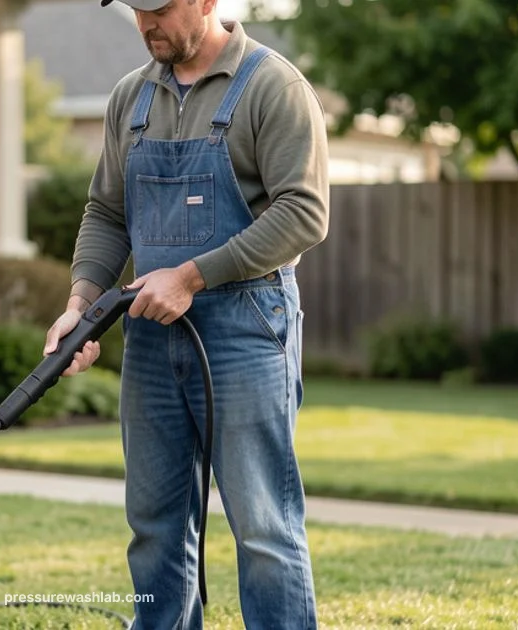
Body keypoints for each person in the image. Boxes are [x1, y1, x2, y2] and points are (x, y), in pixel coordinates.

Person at [42, 0, 330, 628]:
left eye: (161, 9)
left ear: (206, 2)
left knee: (261, 526)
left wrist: (192, 276)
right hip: (150, 335)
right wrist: (80, 306)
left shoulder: (272, 85)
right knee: (154, 525)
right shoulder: (130, 99)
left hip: (247, 328)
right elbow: (107, 213)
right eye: (136, 9)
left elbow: (304, 213)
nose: (147, 24)